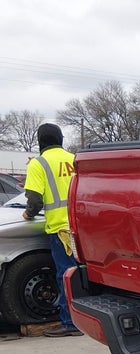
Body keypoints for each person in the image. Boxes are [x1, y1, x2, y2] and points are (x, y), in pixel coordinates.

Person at [21, 123, 82, 337]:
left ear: (40, 141)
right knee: (83, 274)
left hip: (60, 229)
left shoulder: (39, 163)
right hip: (82, 227)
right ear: (61, 139)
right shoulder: (74, 159)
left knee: (65, 275)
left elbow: (34, 200)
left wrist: (28, 215)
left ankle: (70, 323)